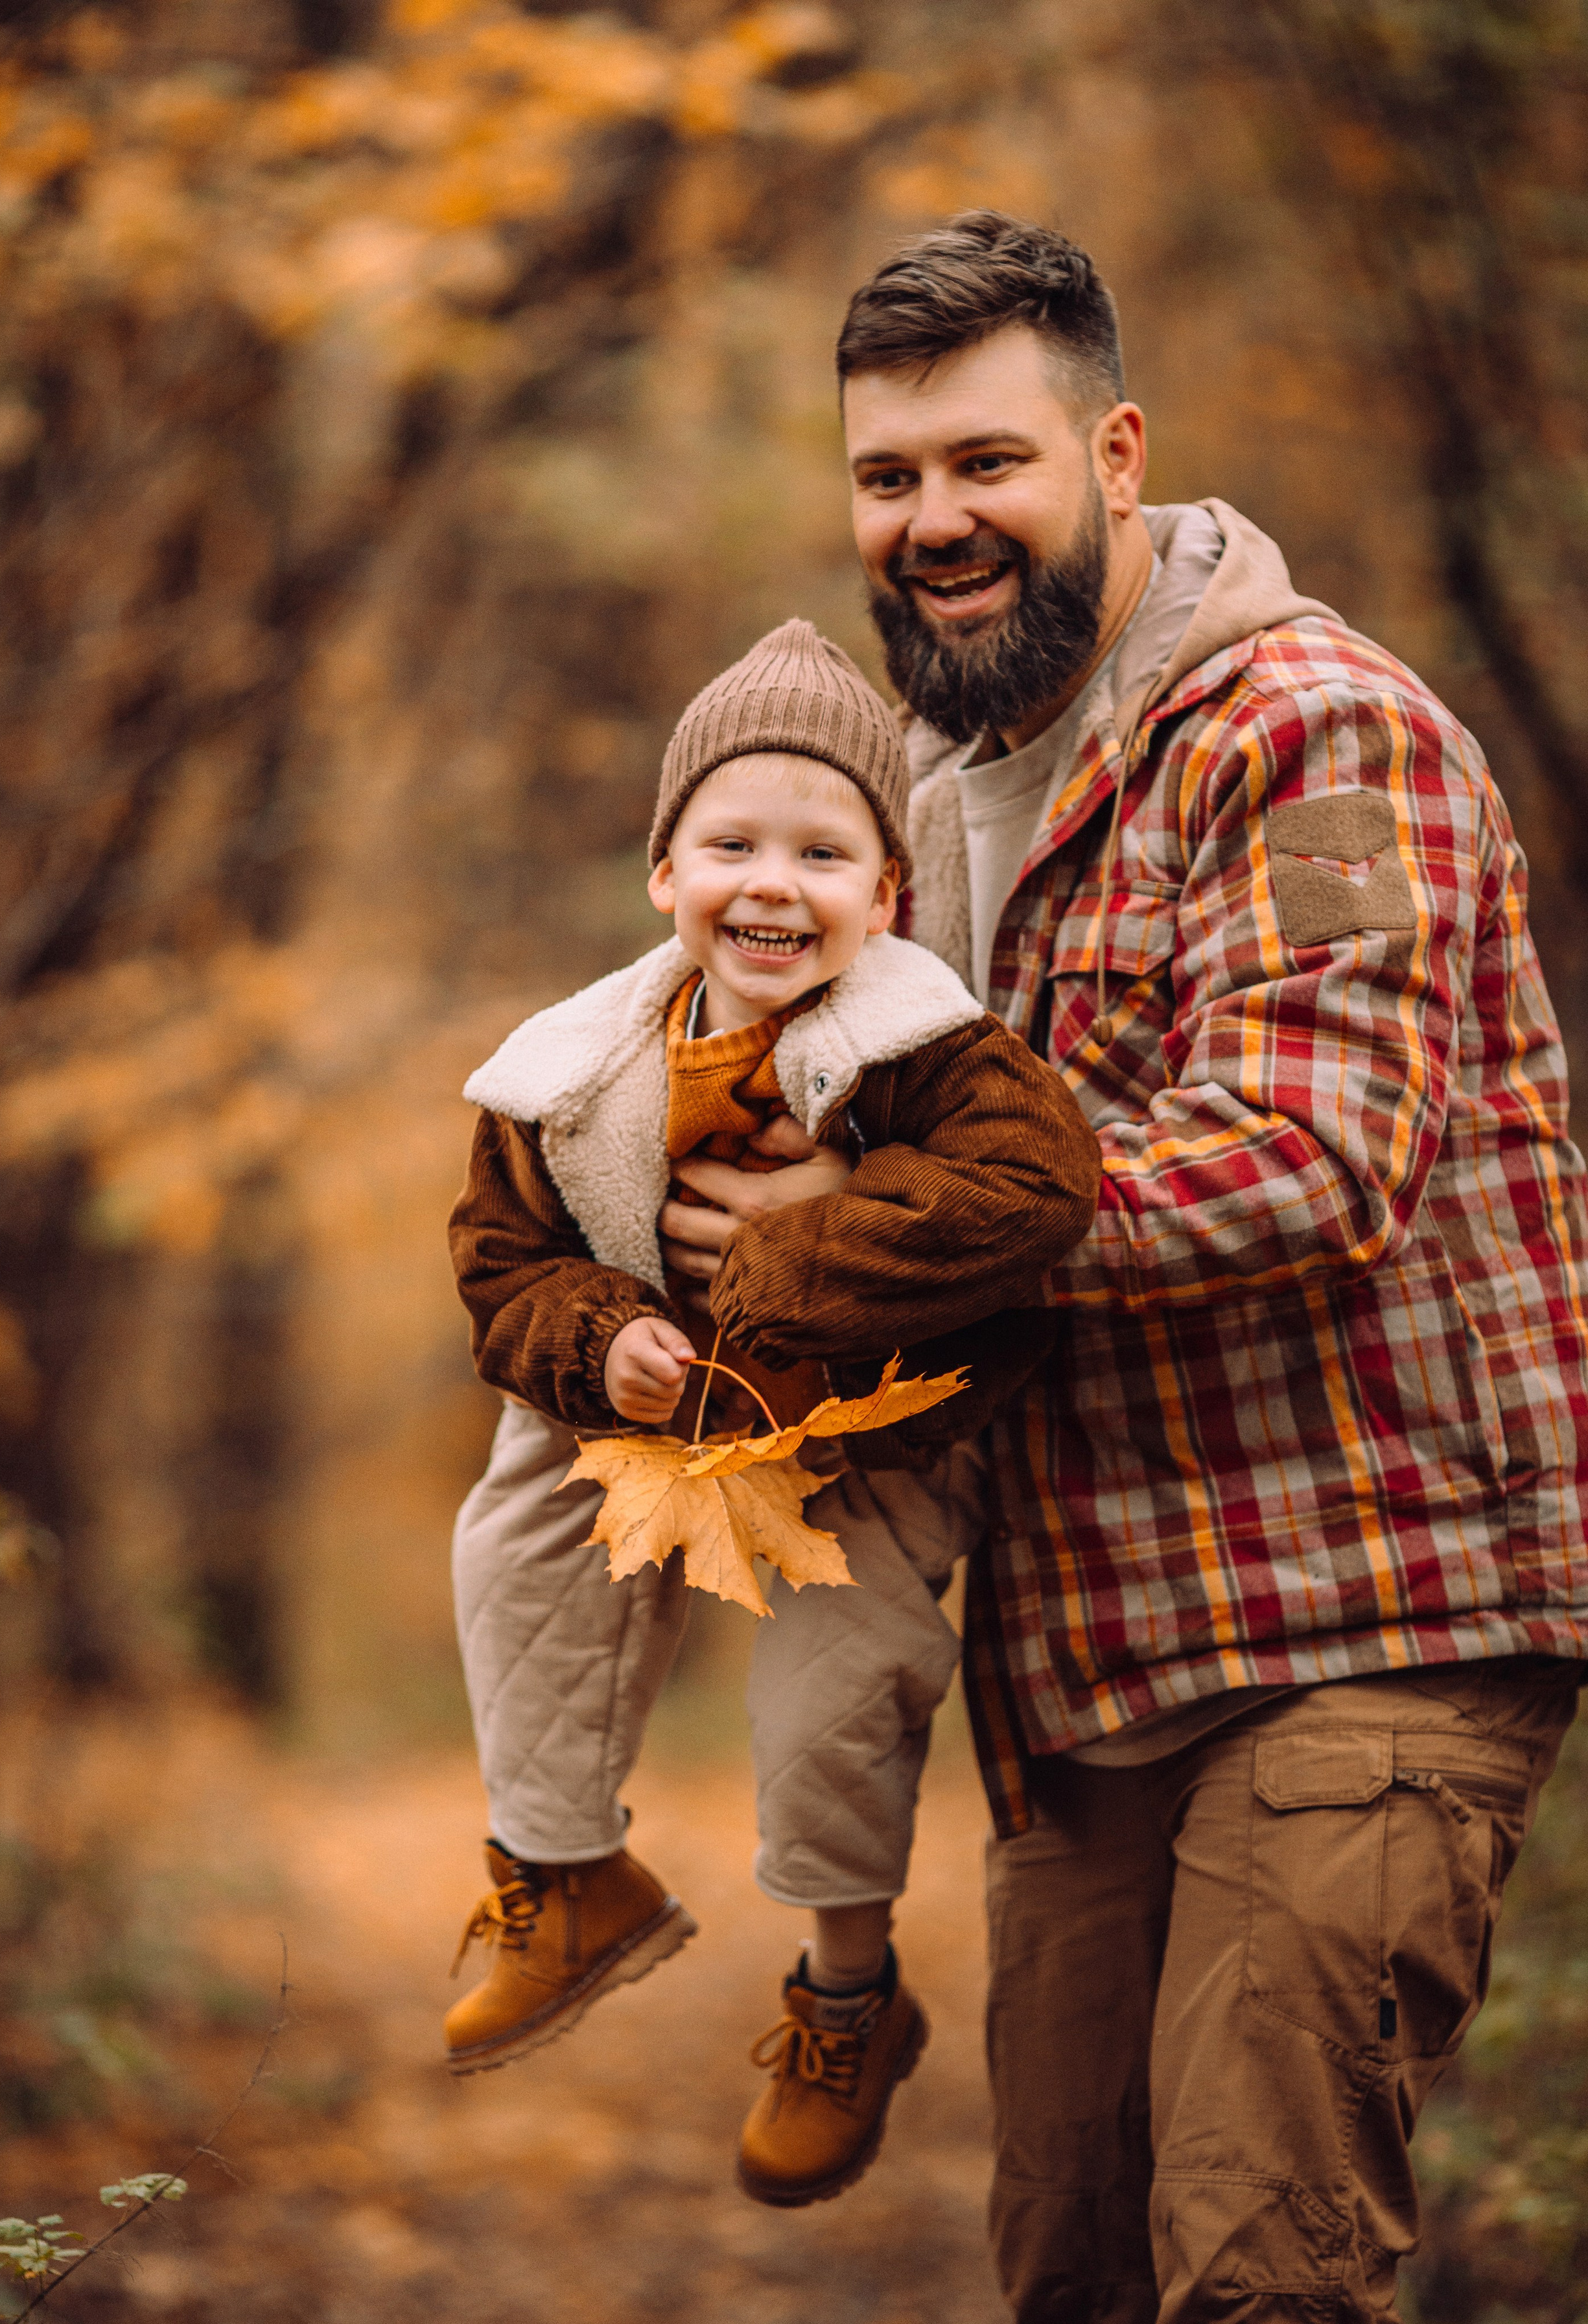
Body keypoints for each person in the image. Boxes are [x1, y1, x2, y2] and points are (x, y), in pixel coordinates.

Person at [732, 207, 1588, 2321]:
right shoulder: (923, 805)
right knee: (1075, 2274)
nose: (934, 519)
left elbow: (1306, 1152)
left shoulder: (1317, 739)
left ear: (1116, 455)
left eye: (986, 463)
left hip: (1362, 1614)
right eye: (888, 476)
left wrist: (856, 1243)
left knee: (1259, 2276)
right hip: (1090, 1666)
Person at [443, 616, 1101, 2208]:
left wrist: (797, 1243)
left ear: (886, 896)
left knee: (835, 1686)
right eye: (730, 839)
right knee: (519, 1521)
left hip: (859, 1423)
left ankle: (845, 1994)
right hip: (655, 1410)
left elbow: (1040, 1185)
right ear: (663, 870)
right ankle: (562, 1868)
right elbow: (498, 1264)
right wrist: (599, 1341)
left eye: (822, 850)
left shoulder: (924, 1048)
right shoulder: (575, 1064)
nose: (771, 881)